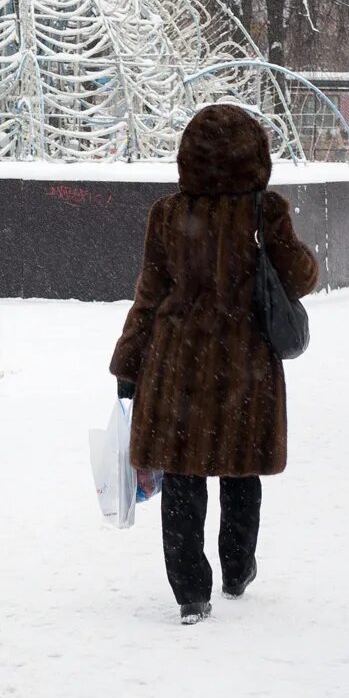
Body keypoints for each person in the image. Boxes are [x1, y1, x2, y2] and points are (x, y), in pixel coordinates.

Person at [109, 105, 319, 625]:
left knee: (182, 476)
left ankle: (189, 593)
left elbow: (149, 295)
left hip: (176, 365)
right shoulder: (264, 212)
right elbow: (301, 277)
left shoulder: (167, 214)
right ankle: (237, 568)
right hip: (245, 367)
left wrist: (128, 365)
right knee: (241, 470)